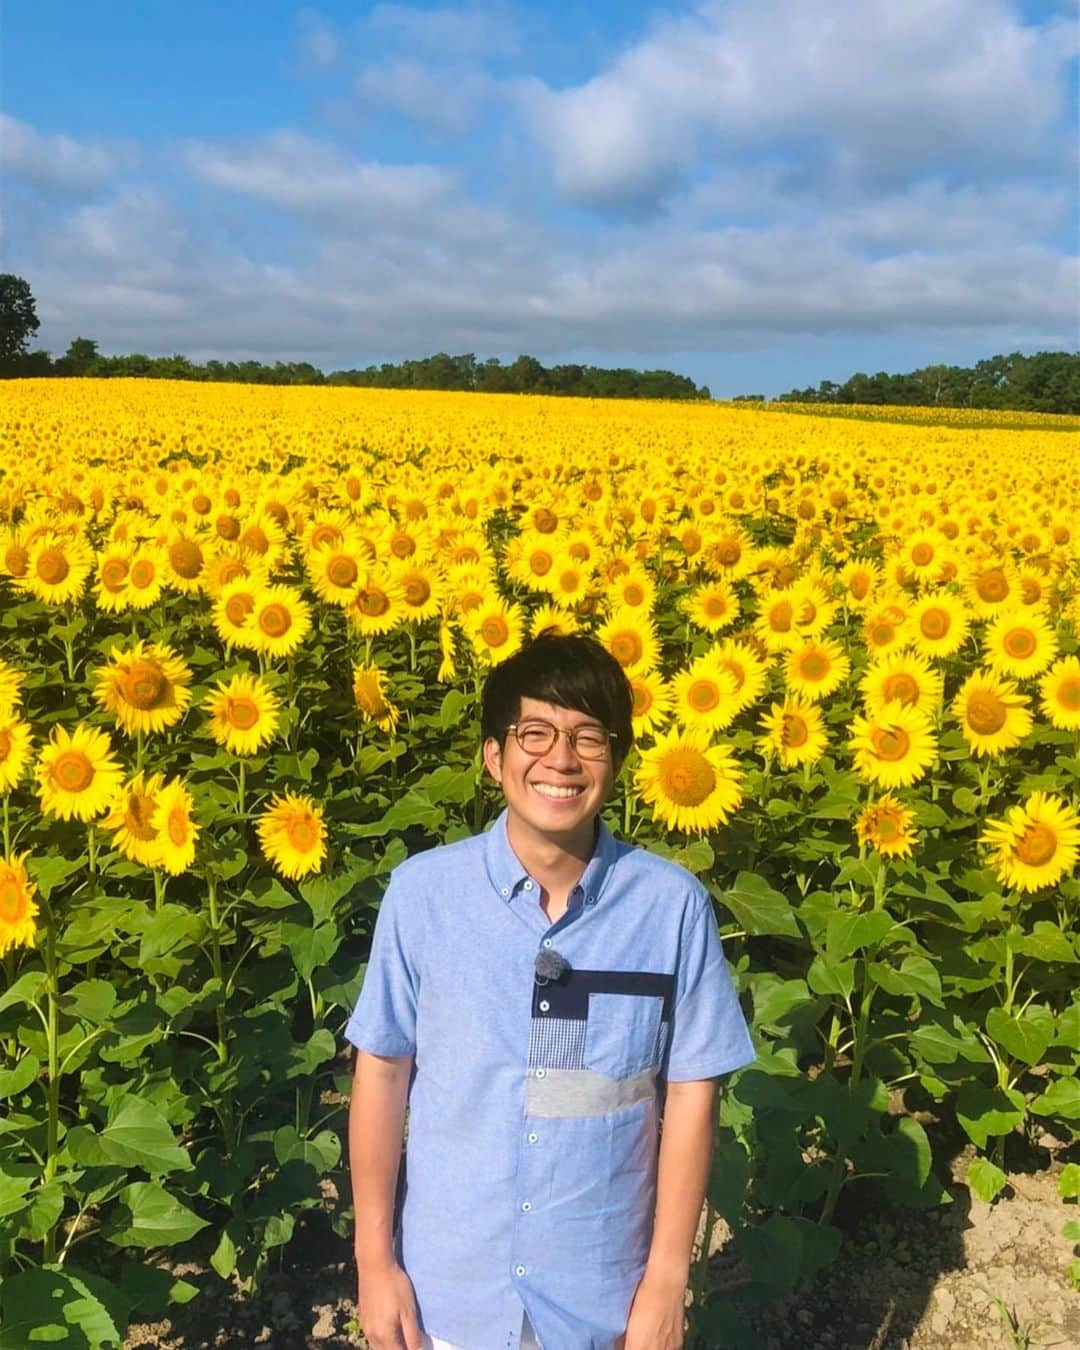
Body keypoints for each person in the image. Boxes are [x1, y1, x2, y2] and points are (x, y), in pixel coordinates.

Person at [346, 631, 755, 1350]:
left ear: (619, 761)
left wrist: (666, 1281)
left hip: (602, 1299)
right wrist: (374, 1262)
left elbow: (692, 1093)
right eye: (534, 733)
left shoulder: (668, 908)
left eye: (588, 737)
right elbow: (381, 1072)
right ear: (492, 756)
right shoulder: (423, 897)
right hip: (451, 1298)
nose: (560, 760)